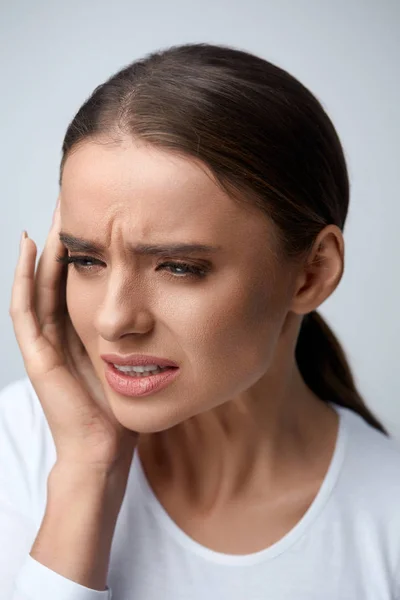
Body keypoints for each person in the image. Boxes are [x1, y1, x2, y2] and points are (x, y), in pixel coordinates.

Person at [1, 42, 399, 600]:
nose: (114, 320)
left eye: (180, 267)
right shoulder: (17, 446)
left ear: (311, 274)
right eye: (86, 260)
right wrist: (88, 474)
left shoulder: (387, 522)